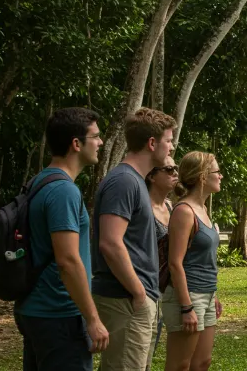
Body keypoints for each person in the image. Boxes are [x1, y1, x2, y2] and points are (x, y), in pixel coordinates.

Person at [14, 107, 109, 371]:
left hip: (35, 309)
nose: (100, 142)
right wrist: (92, 319)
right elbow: (68, 260)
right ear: (76, 144)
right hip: (59, 314)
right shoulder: (63, 190)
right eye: (95, 136)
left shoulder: (39, 181)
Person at [92, 108, 176, 370]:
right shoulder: (124, 181)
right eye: (169, 141)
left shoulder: (135, 181)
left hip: (137, 298)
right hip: (126, 298)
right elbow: (110, 242)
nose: (172, 147)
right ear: (152, 143)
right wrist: (138, 292)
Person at [162, 151, 223, 371]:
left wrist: (214, 294)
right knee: (180, 365)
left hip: (206, 294)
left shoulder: (204, 210)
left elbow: (206, 259)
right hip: (188, 296)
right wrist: (186, 307)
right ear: (202, 176)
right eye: (217, 171)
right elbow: (175, 263)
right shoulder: (184, 212)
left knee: (202, 363)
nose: (221, 176)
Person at [145, 155, 179, 371]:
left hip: (164, 290)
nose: (175, 173)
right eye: (168, 169)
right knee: (136, 355)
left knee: (150, 348)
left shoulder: (170, 206)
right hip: (145, 289)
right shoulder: (142, 208)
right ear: (151, 175)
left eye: (175, 168)